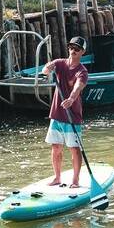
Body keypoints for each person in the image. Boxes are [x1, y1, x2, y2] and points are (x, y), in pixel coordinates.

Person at [41, 36, 89, 188]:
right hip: (56, 114)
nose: (73, 51)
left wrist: (71, 99)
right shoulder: (60, 63)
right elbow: (46, 68)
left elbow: (78, 87)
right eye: (71, 48)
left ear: (82, 52)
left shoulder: (82, 71)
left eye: (77, 49)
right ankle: (57, 177)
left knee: (74, 149)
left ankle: (75, 180)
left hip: (72, 115)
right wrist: (47, 70)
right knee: (56, 147)